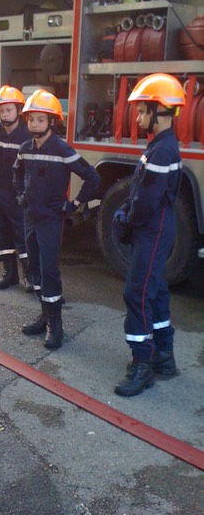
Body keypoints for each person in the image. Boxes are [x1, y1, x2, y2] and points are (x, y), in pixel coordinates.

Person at [113, 73, 185, 397]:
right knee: (154, 290)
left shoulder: (162, 151)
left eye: (143, 111)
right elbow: (140, 191)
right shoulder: (160, 146)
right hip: (156, 227)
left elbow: (146, 201)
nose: (138, 118)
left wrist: (127, 220)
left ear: (160, 111)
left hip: (152, 229)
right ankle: (164, 357)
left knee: (137, 292)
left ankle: (143, 364)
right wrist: (127, 210)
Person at [13, 89, 100, 349]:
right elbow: (16, 174)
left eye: (40, 119)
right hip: (31, 217)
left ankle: (55, 324)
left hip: (51, 219)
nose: (34, 124)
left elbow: (92, 178)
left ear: (52, 122)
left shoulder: (62, 149)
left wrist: (74, 205)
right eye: (31, 119)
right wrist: (21, 196)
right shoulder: (25, 149)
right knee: (35, 267)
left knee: (49, 270)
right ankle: (44, 316)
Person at [0, 85, 33, 291]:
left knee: (22, 235)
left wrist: (27, 193)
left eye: (9, 110)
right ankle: (10, 275)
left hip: (18, 195)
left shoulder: (27, 135)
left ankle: (30, 276)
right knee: (3, 234)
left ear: (19, 110)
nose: (5, 114)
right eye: (1, 110)